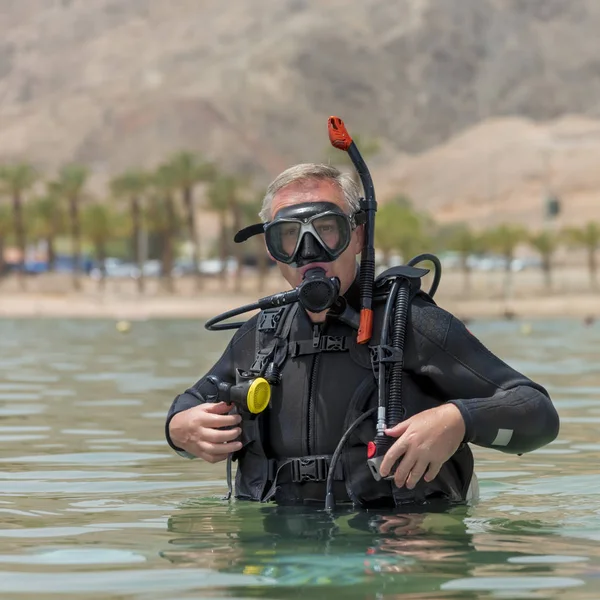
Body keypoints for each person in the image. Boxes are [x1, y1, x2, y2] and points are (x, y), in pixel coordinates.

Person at [165, 163, 559, 508]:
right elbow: (193, 401)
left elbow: (538, 414)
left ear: (356, 236)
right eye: (289, 235)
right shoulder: (261, 336)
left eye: (326, 229)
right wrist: (179, 429)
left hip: (397, 551)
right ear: (272, 249)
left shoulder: (409, 323)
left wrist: (459, 419)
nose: (309, 250)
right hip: (280, 553)